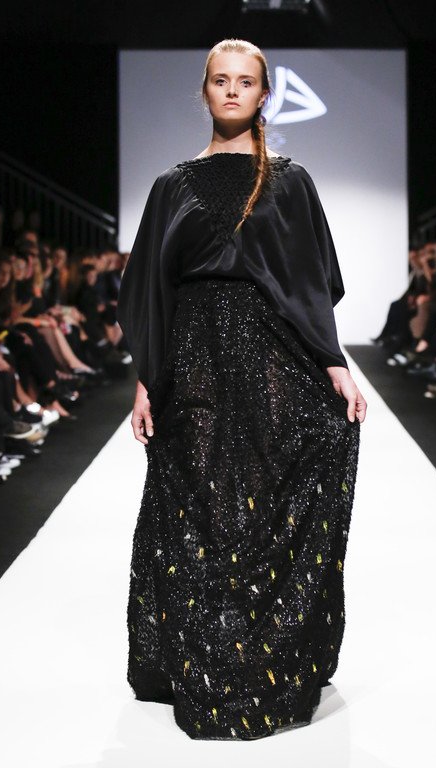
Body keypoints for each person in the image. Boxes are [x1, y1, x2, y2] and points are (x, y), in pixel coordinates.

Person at [117, 38, 367, 741]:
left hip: (272, 351)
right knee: (197, 501)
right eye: (221, 80)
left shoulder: (291, 182)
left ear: (264, 94)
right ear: (205, 91)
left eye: (245, 81)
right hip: (193, 354)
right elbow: (152, 290)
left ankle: (271, 657)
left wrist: (334, 363)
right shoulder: (171, 185)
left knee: (270, 496)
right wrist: (145, 378)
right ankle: (201, 662)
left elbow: (311, 285)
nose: (232, 91)